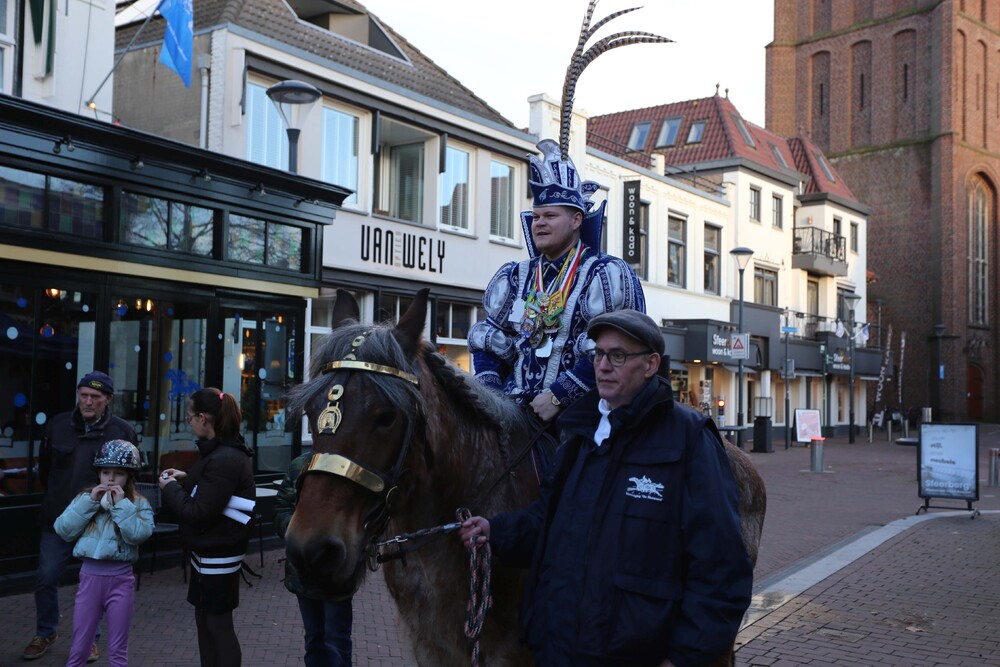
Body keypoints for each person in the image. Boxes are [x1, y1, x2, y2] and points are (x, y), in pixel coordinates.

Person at [459, 310, 753, 667]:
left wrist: (685, 658)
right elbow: (546, 525)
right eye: (598, 354)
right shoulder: (577, 436)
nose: (603, 366)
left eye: (618, 356)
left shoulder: (688, 439)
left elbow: (722, 568)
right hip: (558, 652)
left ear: (650, 364)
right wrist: (496, 531)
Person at [468, 139, 645, 427]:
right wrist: (492, 397)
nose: (539, 223)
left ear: (577, 220)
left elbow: (617, 348)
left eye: (550, 216)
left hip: (582, 417)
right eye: (536, 216)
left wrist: (558, 396)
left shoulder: (603, 273)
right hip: (514, 414)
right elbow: (491, 339)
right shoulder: (516, 276)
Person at [24, 371, 137, 662]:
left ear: (108, 399)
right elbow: (45, 469)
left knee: (94, 583)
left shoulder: (122, 431)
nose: (87, 401)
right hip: (59, 518)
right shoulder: (57, 425)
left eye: (95, 397)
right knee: (46, 576)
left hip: (99, 522)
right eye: (83, 395)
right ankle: (46, 631)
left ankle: (90, 641)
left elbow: (132, 478)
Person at [160, 388, 255, 667]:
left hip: (218, 554)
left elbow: (199, 511)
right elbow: (216, 490)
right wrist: (188, 477)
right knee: (206, 621)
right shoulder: (224, 452)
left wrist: (169, 488)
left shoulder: (224, 457)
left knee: (217, 625)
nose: (189, 423)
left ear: (203, 418)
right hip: (211, 552)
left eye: (189, 418)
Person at [54, 440, 154, 667]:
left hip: (121, 580)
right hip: (89, 578)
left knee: (118, 650)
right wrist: (90, 502)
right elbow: (63, 530)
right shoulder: (85, 498)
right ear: (98, 473)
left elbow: (138, 535)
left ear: (129, 476)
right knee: (80, 647)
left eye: (119, 474)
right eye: (106, 472)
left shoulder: (139, 504)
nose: (111, 479)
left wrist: (121, 505)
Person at [274, 454, 353, 667]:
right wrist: (298, 533)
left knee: (337, 642)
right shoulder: (299, 465)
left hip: (337, 574)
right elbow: (282, 507)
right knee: (314, 640)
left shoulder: (349, 466)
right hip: (303, 572)